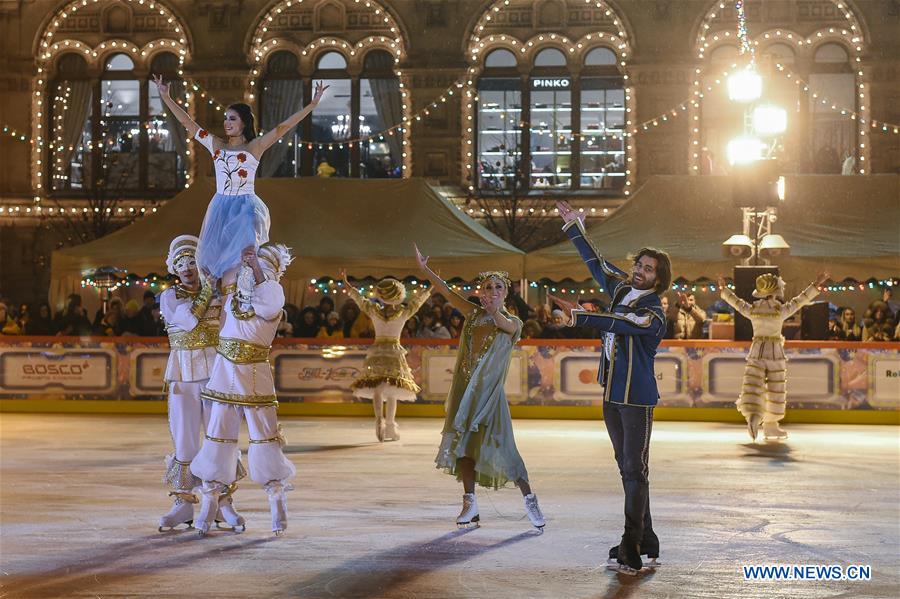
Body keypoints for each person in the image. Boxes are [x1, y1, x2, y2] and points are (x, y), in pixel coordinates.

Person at [552, 200, 669, 576]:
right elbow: (597, 264)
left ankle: (631, 546)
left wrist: (579, 315)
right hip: (612, 397)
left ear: (658, 280)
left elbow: (621, 323)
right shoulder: (622, 292)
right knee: (629, 469)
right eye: (639, 264)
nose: (639, 271)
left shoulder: (652, 313)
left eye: (648, 270)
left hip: (637, 400)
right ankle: (646, 538)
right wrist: (575, 229)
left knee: (634, 470)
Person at [415, 244, 546, 532]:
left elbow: (502, 323)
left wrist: (494, 311)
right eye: (488, 287)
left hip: (491, 398)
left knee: (506, 450)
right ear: (481, 290)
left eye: (499, 286)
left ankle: (530, 500)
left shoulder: (513, 322)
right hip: (465, 393)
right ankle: (470, 502)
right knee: (464, 449)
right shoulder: (473, 314)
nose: (493, 290)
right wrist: (425, 271)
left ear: (505, 292)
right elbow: (449, 293)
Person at [153, 74, 328, 280]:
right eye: (225, 118)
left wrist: (312, 104)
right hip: (220, 207)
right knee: (214, 263)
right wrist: (166, 98)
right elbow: (187, 122)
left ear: (244, 122)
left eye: (232, 118)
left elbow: (284, 127)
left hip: (245, 207)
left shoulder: (255, 147)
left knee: (244, 255)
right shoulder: (216, 145)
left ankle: (251, 287)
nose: (227, 122)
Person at [190, 243, 296, 536]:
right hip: (225, 374)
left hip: (253, 376)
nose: (250, 269)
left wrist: (257, 266)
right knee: (217, 437)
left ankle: (277, 501)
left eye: (260, 265)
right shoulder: (233, 295)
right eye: (249, 265)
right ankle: (209, 502)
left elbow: (269, 301)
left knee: (264, 437)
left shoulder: (272, 295)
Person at [157, 235, 245, 533]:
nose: (186, 267)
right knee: (185, 440)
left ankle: (222, 502)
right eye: (180, 263)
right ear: (173, 268)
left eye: (191, 261)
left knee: (219, 438)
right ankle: (183, 503)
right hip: (182, 375)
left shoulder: (220, 298)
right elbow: (190, 321)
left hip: (215, 373)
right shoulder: (170, 297)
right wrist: (210, 287)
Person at [717, 271, 829, 441]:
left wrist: (723, 289)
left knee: (753, 385)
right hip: (775, 353)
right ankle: (770, 425)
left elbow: (737, 303)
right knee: (776, 389)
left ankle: (753, 415)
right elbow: (800, 300)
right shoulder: (779, 310)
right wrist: (816, 284)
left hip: (757, 352)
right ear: (775, 291)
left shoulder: (753, 309)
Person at [342, 272, 431, 442]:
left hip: (377, 352)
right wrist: (430, 289)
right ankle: (390, 424)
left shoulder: (374, 310)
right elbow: (418, 302)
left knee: (378, 388)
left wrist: (348, 285)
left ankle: (379, 420)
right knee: (392, 392)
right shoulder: (404, 312)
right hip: (394, 353)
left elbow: (359, 299)